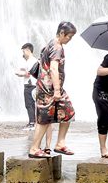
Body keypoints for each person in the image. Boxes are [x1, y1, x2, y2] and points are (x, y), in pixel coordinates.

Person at [28, 21, 77, 158]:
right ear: (62, 33)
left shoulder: (52, 44)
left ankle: (60, 144)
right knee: (44, 119)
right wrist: (56, 90)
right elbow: (54, 68)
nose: (70, 39)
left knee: (68, 112)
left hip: (55, 88)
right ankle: (34, 148)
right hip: (48, 89)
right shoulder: (56, 47)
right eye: (69, 37)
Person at [16, 43, 37, 130]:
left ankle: (32, 123)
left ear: (28, 50)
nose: (23, 53)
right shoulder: (32, 61)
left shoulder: (31, 61)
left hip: (30, 85)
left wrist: (22, 72)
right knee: (32, 104)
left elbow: (26, 73)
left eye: (24, 51)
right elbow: (20, 71)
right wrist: (21, 72)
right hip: (32, 85)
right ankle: (34, 122)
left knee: (29, 104)